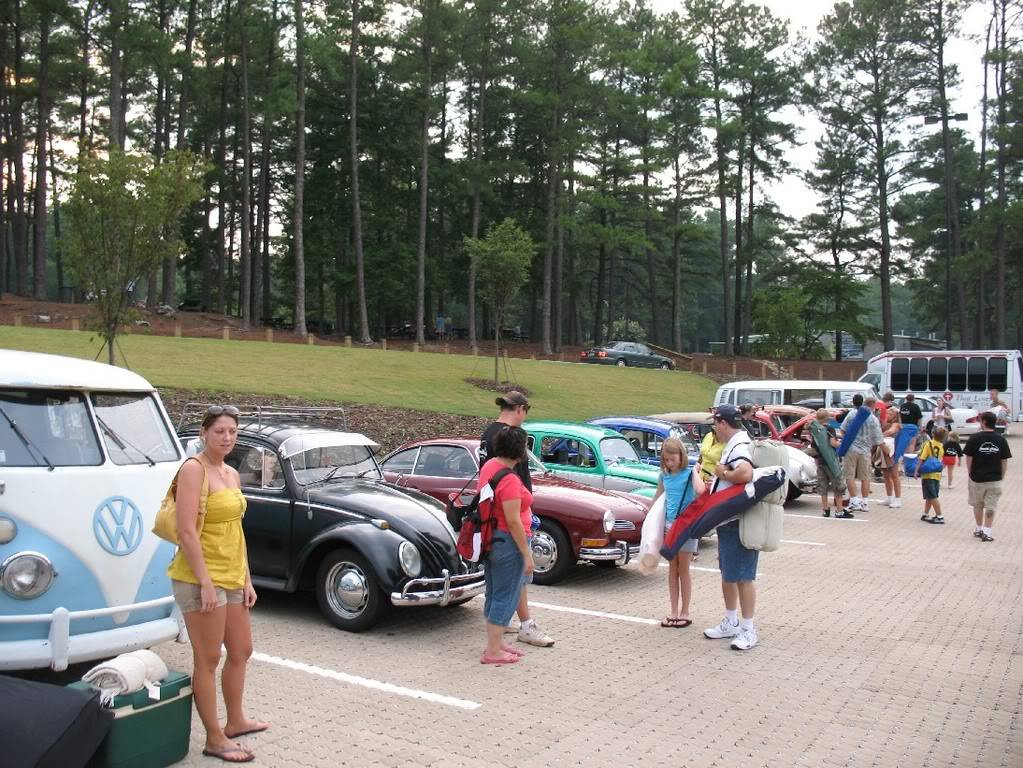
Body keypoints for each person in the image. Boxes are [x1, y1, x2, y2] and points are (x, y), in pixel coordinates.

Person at [168, 406, 267, 764]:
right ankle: (213, 738)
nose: (227, 438)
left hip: (231, 575)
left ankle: (236, 721)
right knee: (208, 658)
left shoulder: (231, 473)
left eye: (232, 432)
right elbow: (186, 531)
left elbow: (235, 531)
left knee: (241, 650)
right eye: (220, 431)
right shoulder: (194, 470)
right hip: (199, 578)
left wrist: (247, 578)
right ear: (204, 433)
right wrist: (206, 583)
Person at [479, 390, 553, 647]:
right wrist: (526, 548)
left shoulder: (488, 434)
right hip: (510, 524)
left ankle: (500, 629)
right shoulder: (509, 443)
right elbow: (511, 497)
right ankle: (524, 625)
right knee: (514, 580)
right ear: (520, 409)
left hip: (492, 524)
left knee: (497, 583)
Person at [702, 404, 760, 651]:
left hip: (738, 520)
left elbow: (745, 473)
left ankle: (748, 629)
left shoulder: (738, 445)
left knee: (743, 576)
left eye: (715, 423)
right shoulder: (737, 442)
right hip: (729, 520)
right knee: (729, 573)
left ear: (723, 423)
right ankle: (732, 621)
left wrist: (722, 473)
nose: (715, 428)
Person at [478, 426, 534, 664]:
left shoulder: (490, 466)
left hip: (492, 539)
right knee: (506, 594)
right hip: (508, 542)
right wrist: (527, 554)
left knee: (494, 591)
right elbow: (512, 520)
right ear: (519, 451)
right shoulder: (509, 479)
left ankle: (497, 642)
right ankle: (493, 650)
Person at [652, 437, 705, 628]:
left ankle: (685, 611)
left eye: (673, 459)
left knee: (684, 570)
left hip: (686, 528)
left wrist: (695, 472)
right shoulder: (663, 476)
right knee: (672, 571)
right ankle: (673, 610)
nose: (669, 463)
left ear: (681, 456)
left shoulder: (689, 473)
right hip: (669, 528)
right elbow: (657, 498)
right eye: (666, 459)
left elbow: (700, 490)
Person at [963, 412, 1012, 542]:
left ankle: (979, 529)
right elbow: (1004, 460)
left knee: (977, 505)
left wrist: (970, 473)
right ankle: (988, 532)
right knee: (991, 506)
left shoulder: (974, 438)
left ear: (983, 422)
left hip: (977, 478)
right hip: (995, 479)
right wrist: (1001, 476)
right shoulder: (1001, 439)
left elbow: (969, 458)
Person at [839, 394, 884, 513]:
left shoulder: (852, 414)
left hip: (851, 449)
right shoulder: (873, 419)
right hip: (865, 451)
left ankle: (854, 501)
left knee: (849, 475)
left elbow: (842, 430)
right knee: (865, 477)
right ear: (873, 406)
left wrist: (846, 442)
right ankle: (865, 503)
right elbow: (878, 438)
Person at [805, 408, 846, 518]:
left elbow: (813, 446)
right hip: (830, 461)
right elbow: (833, 443)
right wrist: (842, 445)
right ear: (827, 417)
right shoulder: (829, 429)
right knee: (837, 485)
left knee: (823, 486)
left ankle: (825, 509)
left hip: (820, 461)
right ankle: (839, 510)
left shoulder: (814, 430)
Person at [915, 426, 946, 524]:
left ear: (932, 434)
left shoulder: (927, 444)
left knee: (932, 496)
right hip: (936, 474)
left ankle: (940, 516)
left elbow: (922, 458)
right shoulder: (941, 446)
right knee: (930, 495)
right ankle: (925, 514)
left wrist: (916, 470)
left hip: (928, 474)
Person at [879, 408, 903, 508]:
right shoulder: (885, 423)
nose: (888, 414)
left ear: (895, 416)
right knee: (886, 475)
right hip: (885, 451)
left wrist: (879, 436)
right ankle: (889, 497)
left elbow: (891, 431)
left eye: (891, 413)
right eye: (887, 413)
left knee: (894, 475)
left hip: (894, 452)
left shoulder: (896, 424)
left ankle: (898, 499)